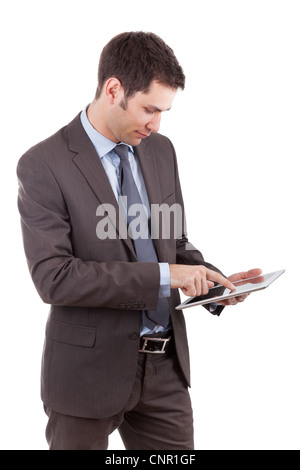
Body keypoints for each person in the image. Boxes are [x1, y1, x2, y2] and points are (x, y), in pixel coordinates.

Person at [17, 31, 261, 450]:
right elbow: (54, 278)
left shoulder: (161, 150)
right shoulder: (43, 165)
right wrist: (167, 275)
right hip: (85, 373)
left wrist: (211, 281)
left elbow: (174, 241)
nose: (156, 124)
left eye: (164, 111)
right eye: (149, 109)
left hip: (165, 369)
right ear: (113, 89)